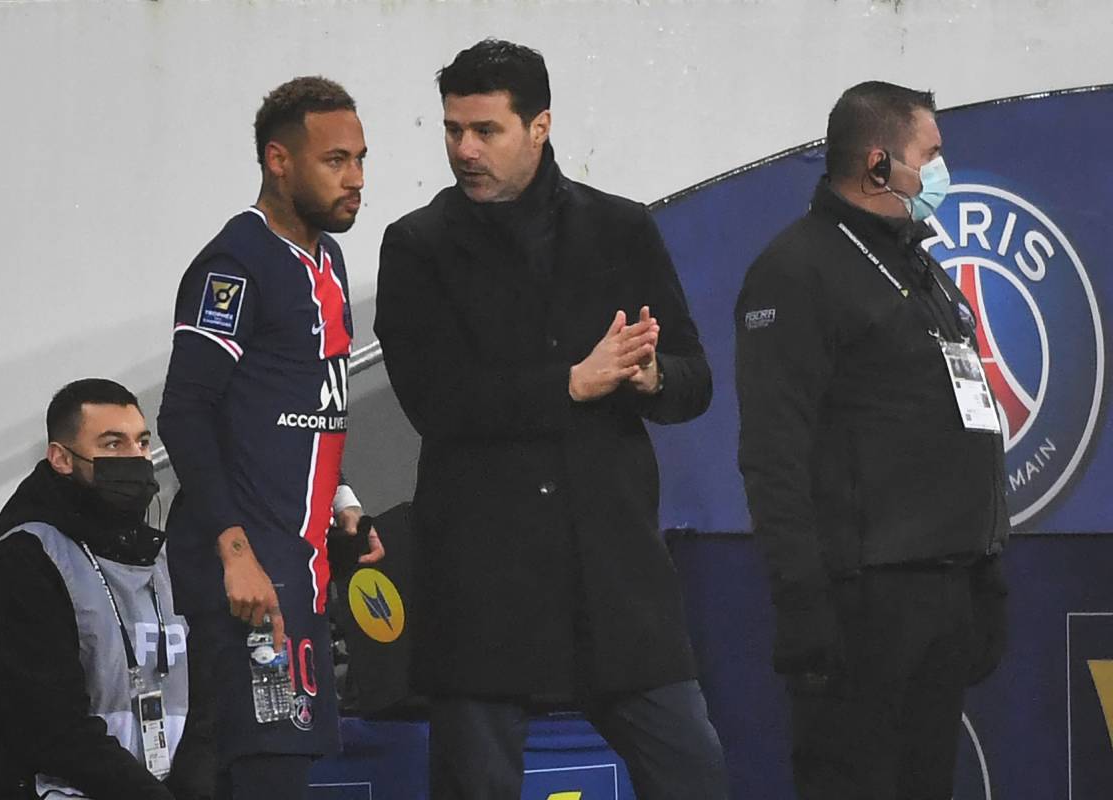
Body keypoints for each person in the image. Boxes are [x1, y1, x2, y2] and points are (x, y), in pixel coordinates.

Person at [375, 39, 726, 800]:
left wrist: (651, 373)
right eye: (451, 130)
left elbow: (695, 380)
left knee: (693, 771)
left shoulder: (621, 228)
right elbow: (434, 401)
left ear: (539, 127)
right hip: (482, 574)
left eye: (485, 130)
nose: (463, 149)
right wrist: (570, 383)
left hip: (612, 568)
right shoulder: (417, 246)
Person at [734, 81, 1010, 800]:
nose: (942, 171)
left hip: (943, 587)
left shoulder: (920, 269)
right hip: (860, 600)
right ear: (879, 166)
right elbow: (773, 452)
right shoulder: (796, 270)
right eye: (932, 154)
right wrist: (801, 601)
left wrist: (985, 569)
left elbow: (968, 422)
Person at [157, 76, 382, 799]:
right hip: (245, 580)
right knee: (247, 775)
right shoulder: (235, 265)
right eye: (336, 161)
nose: (356, 181)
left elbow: (316, 400)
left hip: (301, 565)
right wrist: (235, 553)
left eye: (360, 160)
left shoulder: (330, 261)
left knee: (285, 770)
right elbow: (185, 412)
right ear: (279, 161)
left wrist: (341, 497)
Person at [0, 378, 198, 799]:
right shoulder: (25, 560)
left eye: (142, 442)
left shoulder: (162, 557)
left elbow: (200, 698)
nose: (134, 458)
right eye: (112, 444)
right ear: (60, 457)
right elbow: (49, 726)